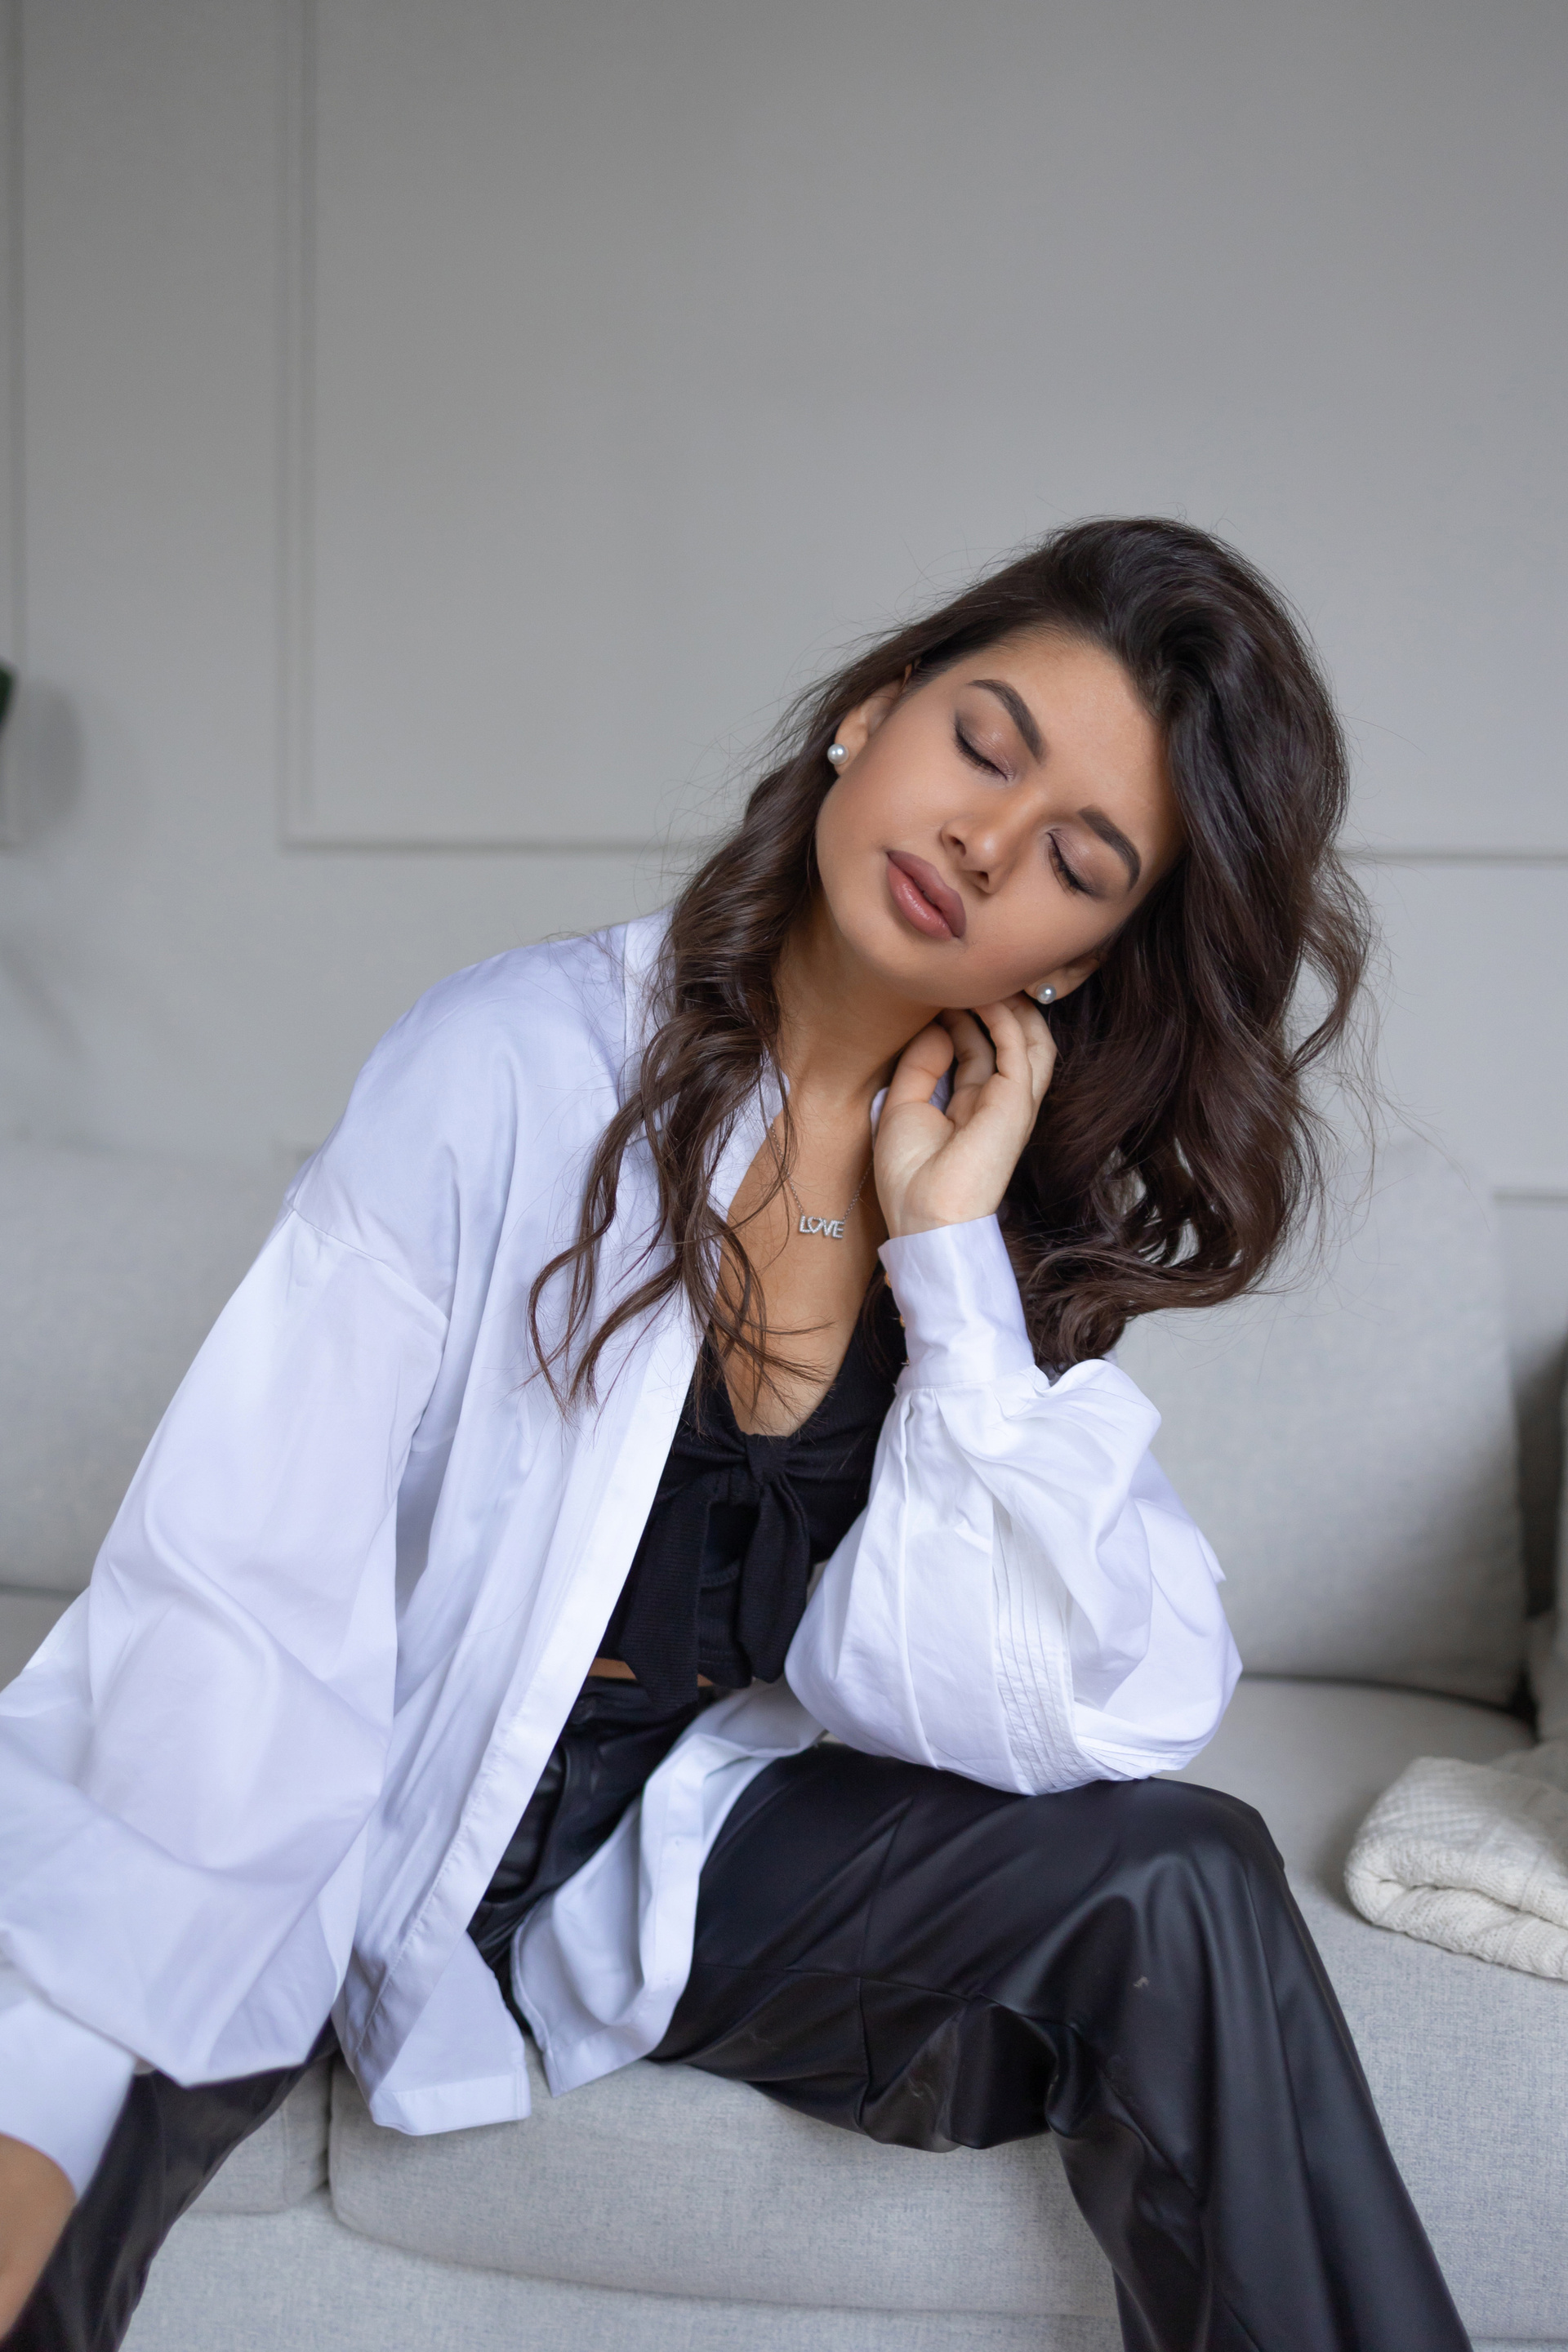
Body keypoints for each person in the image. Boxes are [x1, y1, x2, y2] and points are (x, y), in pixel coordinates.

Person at [0, 519, 1469, 2352]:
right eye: (982, 745)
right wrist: (69, 2046)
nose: (985, 842)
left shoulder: (993, 1207)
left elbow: (1080, 1704)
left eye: (1078, 860)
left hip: (678, 1863)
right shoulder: (518, 1058)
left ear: (1090, 953)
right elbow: (243, 1581)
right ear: (872, 713)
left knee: (1188, 1877)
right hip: (361, 1809)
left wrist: (950, 1262)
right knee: (65, 2127)